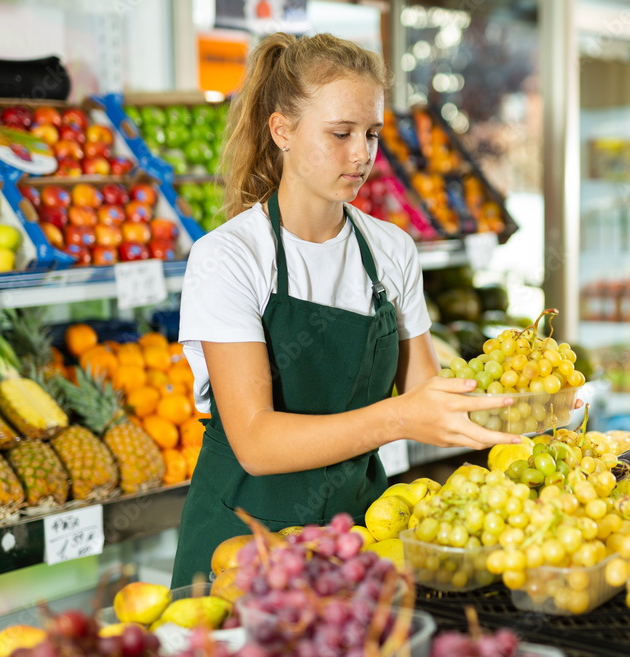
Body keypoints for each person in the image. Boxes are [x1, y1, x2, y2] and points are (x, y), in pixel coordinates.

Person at [171, 32, 523, 587]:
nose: (362, 154)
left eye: (371, 134)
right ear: (282, 129)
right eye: (341, 133)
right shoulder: (230, 258)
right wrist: (400, 418)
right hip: (244, 548)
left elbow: (426, 394)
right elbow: (257, 443)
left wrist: (525, 409)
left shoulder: (390, 250)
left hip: (359, 532)